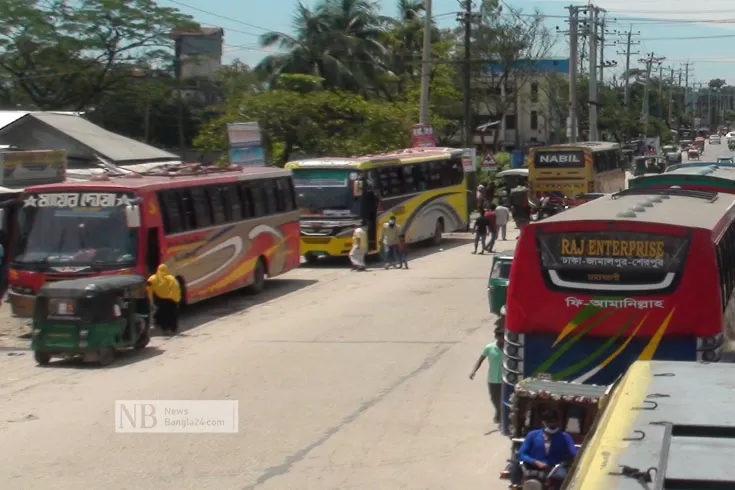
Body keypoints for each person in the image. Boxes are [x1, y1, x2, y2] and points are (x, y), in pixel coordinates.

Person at [509, 409, 578, 489]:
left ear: (558, 422)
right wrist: (535, 462)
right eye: (549, 422)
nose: (552, 424)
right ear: (543, 423)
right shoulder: (533, 435)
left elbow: (575, 453)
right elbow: (522, 453)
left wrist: (571, 459)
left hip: (554, 470)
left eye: (554, 422)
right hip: (532, 468)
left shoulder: (565, 437)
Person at [469, 327, 504, 423]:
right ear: (496, 337)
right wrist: (473, 371)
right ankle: (498, 411)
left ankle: (501, 414)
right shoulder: (489, 347)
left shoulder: (510, 349)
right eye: (500, 337)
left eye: (504, 337)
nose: (502, 339)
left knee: (504, 398)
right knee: (494, 398)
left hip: (504, 379)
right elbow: (481, 359)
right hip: (492, 378)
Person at [147, 264, 182, 335]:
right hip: (171, 300)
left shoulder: (152, 278)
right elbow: (176, 288)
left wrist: (150, 299)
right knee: (172, 315)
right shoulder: (171, 278)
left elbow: (148, 288)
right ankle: (173, 330)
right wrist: (176, 299)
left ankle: (165, 330)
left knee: (163, 315)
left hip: (160, 300)